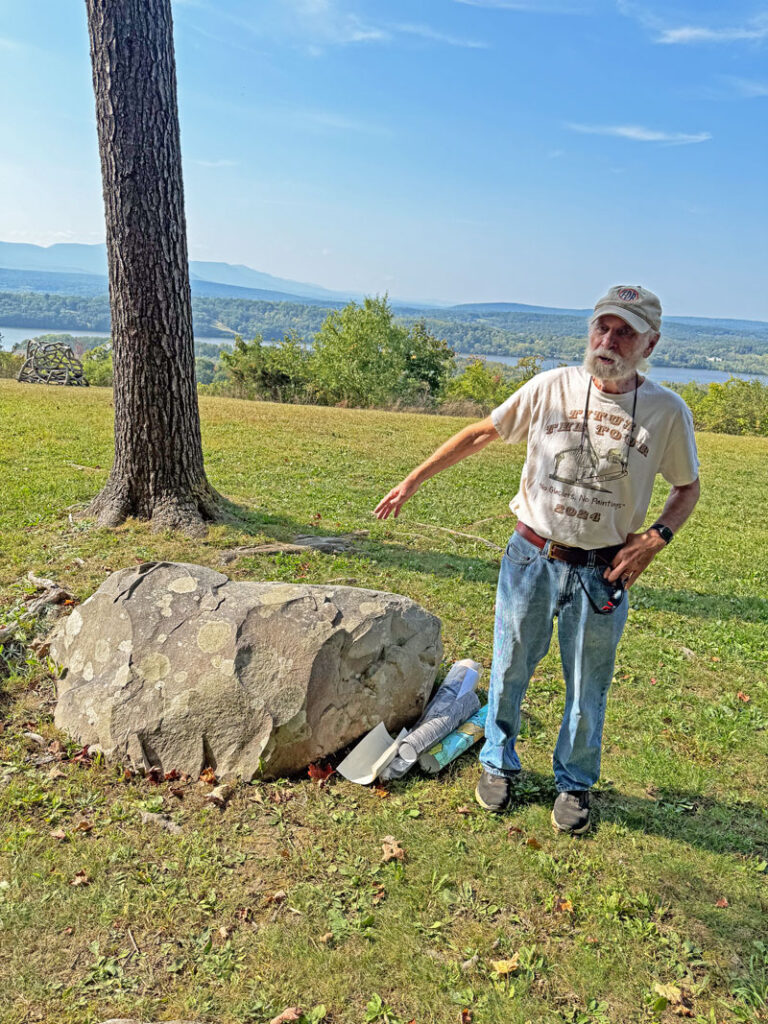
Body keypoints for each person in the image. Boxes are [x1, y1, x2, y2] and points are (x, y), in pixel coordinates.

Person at [374, 285, 700, 834]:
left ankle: (573, 783)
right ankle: (498, 762)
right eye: (602, 325)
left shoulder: (667, 412)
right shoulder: (553, 386)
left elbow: (686, 488)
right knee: (509, 666)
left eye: (625, 331)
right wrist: (412, 482)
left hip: (602, 572)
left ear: (651, 342)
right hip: (532, 555)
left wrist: (655, 537)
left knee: (587, 682)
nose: (609, 339)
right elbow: (481, 433)